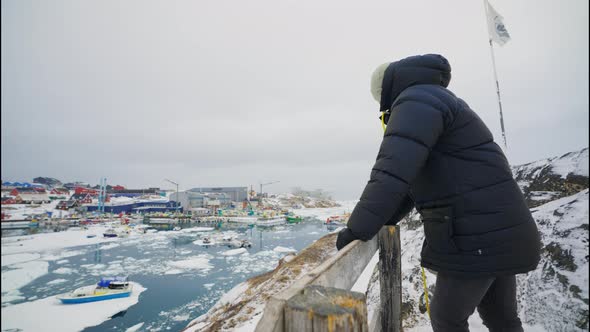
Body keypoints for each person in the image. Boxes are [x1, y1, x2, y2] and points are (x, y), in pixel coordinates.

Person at [336, 54, 541, 332]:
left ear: (386, 90)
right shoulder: (437, 100)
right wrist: (384, 221)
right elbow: (408, 185)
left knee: (447, 319)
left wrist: (356, 230)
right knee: (501, 319)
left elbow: (391, 175)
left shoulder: (415, 102)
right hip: (500, 231)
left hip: (476, 237)